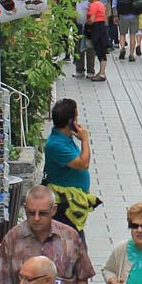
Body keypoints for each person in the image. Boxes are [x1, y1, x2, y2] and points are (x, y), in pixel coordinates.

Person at [0, 187, 94, 284]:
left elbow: (83, 278)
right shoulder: (12, 238)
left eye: (42, 213)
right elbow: (3, 282)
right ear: (25, 209)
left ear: (54, 210)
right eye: (31, 213)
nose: (36, 218)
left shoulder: (70, 236)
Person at [42, 100, 96, 234]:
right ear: (71, 121)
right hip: (64, 205)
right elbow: (83, 164)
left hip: (72, 203)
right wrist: (84, 139)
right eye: (76, 118)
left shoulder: (65, 138)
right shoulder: (56, 144)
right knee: (73, 242)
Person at [81, 0, 111, 81]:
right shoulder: (101, 4)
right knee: (102, 51)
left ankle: (101, 74)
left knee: (100, 52)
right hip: (102, 28)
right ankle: (102, 72)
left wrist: (86, 23)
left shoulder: (93, 5)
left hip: (96, 29)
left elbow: (92, 19)